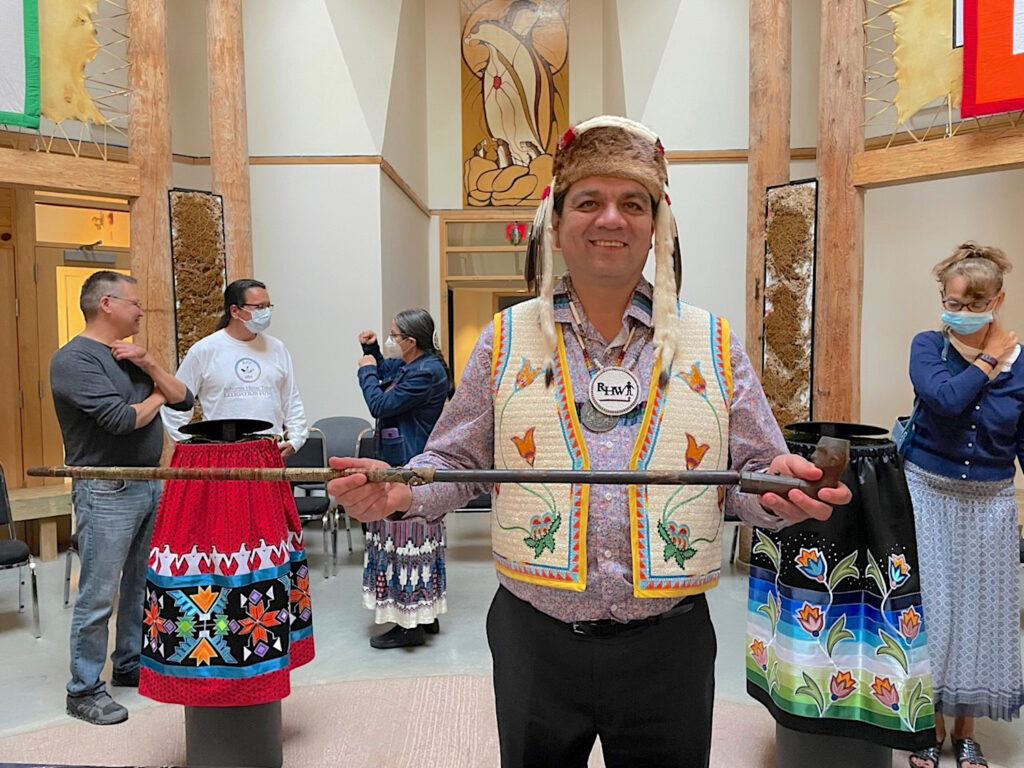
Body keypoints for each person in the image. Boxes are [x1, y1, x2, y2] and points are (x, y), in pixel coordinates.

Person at [327, 116, 851, 767]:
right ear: (556, 219)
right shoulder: (506, 338)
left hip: (671, 645)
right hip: (533, 639)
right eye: (589, 201)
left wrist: (779, 493)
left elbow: (748, 473)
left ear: (658, 224)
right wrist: (402, 489)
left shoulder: (713, 343)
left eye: (633, 203)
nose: (611, 218)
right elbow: (457, 463)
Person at [50, 271, 194, 725]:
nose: (140, 310)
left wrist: (150, 365)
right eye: (134, 302)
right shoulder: (73, 360)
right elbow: (119, 420)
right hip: (106, 488)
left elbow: (185, 399)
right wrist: (156, 393)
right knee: (98, 594)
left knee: (141, 584)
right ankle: (84, 689)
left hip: (149, 482)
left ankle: (130, 662)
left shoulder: (130, 355)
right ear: (107, 304)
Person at [903, 243, 1024, 768]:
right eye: (953, 301)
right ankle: (928, 727)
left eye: (975, 305)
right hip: (927, 491)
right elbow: (947, 399)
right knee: (936, 610)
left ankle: (966, 730)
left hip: (992, 501)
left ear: (997, 301)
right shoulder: (928, 346)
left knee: (981, 613)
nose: (962, 313)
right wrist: (989, 358)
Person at [356, 309, 453, 649]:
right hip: (403, 463)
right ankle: (425, 614)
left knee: (404, 542)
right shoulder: (415, 365)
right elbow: (389, 370)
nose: (390, 340)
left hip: (408, 467)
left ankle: (409, 624)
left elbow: (380, 403)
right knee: (414, 541)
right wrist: (373, 353)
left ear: (411, 342)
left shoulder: (425, 372)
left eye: (394, 336)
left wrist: (365, 372)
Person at [161, 278, 307, 455]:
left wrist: (296, 439)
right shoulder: (205, 350)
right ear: (235, 311)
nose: (266, 312)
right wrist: (187, 446)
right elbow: (176, 402)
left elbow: (291, 400)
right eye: (259, 307)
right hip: (222, 453)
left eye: (268, 306)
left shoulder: (277, 348)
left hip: (269, 451)